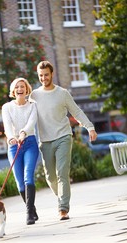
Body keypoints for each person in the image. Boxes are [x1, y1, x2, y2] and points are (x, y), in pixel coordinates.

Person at [30, 60, 97, 221]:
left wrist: (90, 127)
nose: (44, 78)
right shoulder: (34, 95)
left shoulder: (62, 93)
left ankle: (63, 209)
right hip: (45, 141)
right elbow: (27, 116)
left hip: (63, 137)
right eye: (41, 75)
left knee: (62, 173)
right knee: (50, 177)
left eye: (46, 75)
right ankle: (61, 197)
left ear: (52, 74)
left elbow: (77, 111)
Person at [2, 77, 39, 225]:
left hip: (29, 142)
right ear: (13, 90)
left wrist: (23, 133)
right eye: (17, 87)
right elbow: (7, 125)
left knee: (28, 177)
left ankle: (29, 214)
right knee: (19, 184)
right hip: (13, 146)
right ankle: (32, 209)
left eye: (22, 86)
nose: (20, 89)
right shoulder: (7, 107)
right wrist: (12, 137)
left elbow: (31, 123)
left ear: (27, 89)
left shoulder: (33, 106)